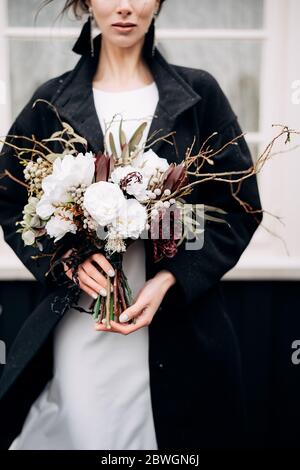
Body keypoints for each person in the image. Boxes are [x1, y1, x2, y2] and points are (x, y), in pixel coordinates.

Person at [0, 0, 263, 450]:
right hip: (84, 324)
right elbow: (12, 198)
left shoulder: (200, 95)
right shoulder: (51, 102)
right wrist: (65, 260)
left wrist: (169, 278)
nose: (124, 6)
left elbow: (235, 207)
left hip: (176, 324)